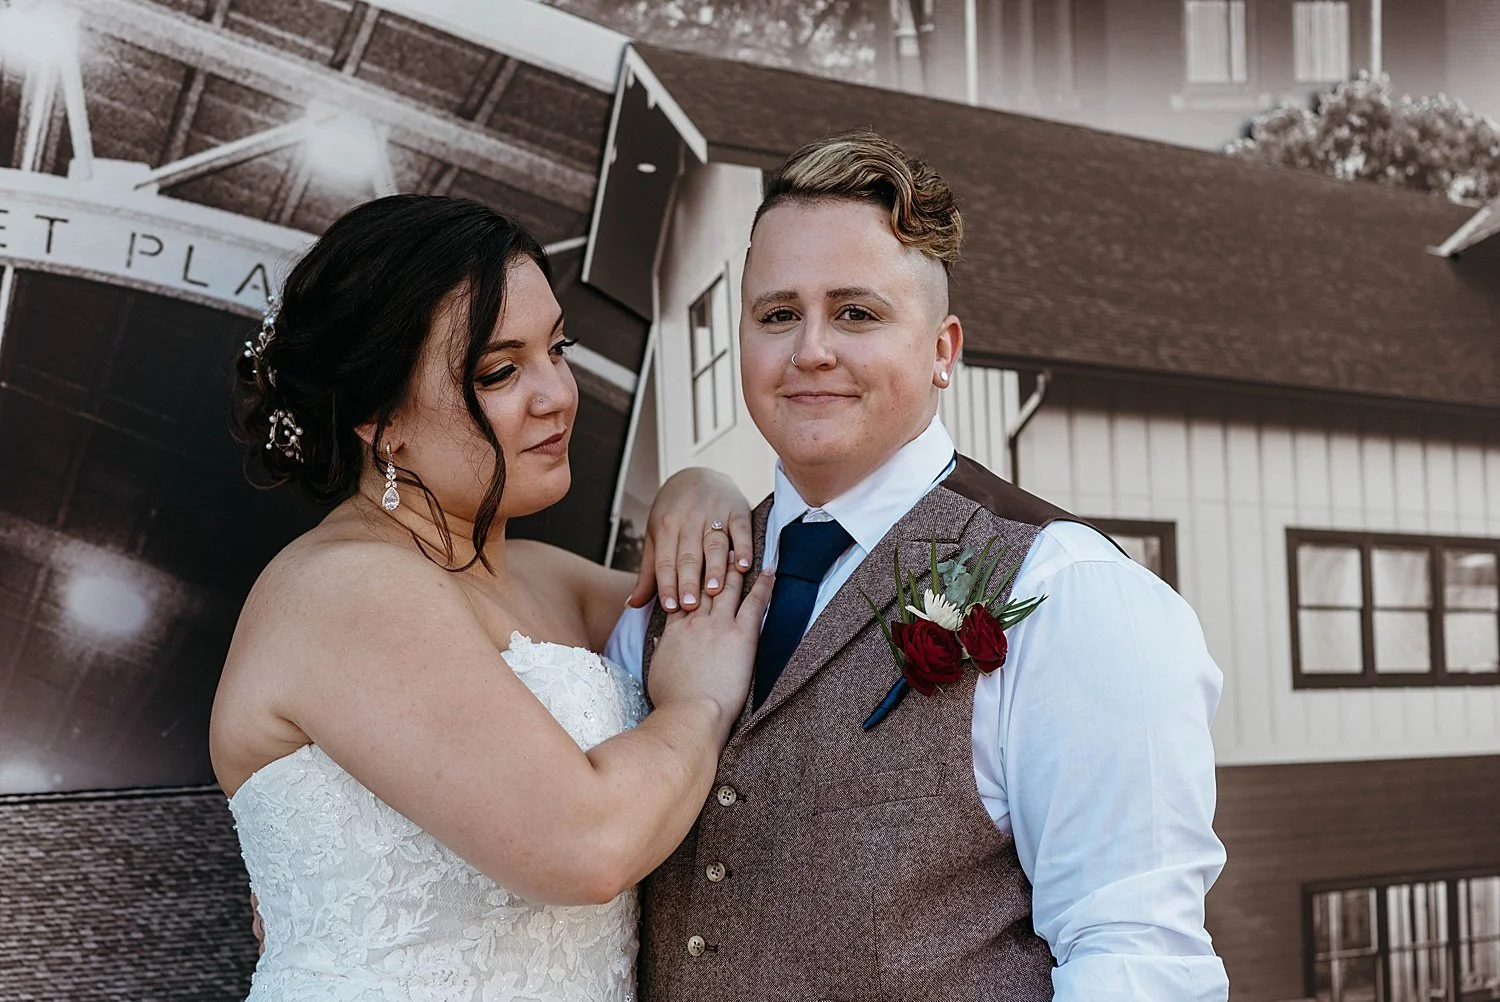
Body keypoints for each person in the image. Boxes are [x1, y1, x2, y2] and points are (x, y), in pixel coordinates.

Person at [609, 131, 1231, 1000]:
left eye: (857, 313)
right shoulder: (675, 590)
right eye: (777, 314)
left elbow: (1135, 955)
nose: (811, 350)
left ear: (943, 351)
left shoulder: (1068, 591)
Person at [211, 194, 772, 1001]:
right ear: (380, 419)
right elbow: (586, 846)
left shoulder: (550, 577)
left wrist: (700, 488)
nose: (557, 396)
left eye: (558, 349)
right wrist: (696, 709)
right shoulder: (341, 590)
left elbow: (737, 615)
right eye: (499, 371)